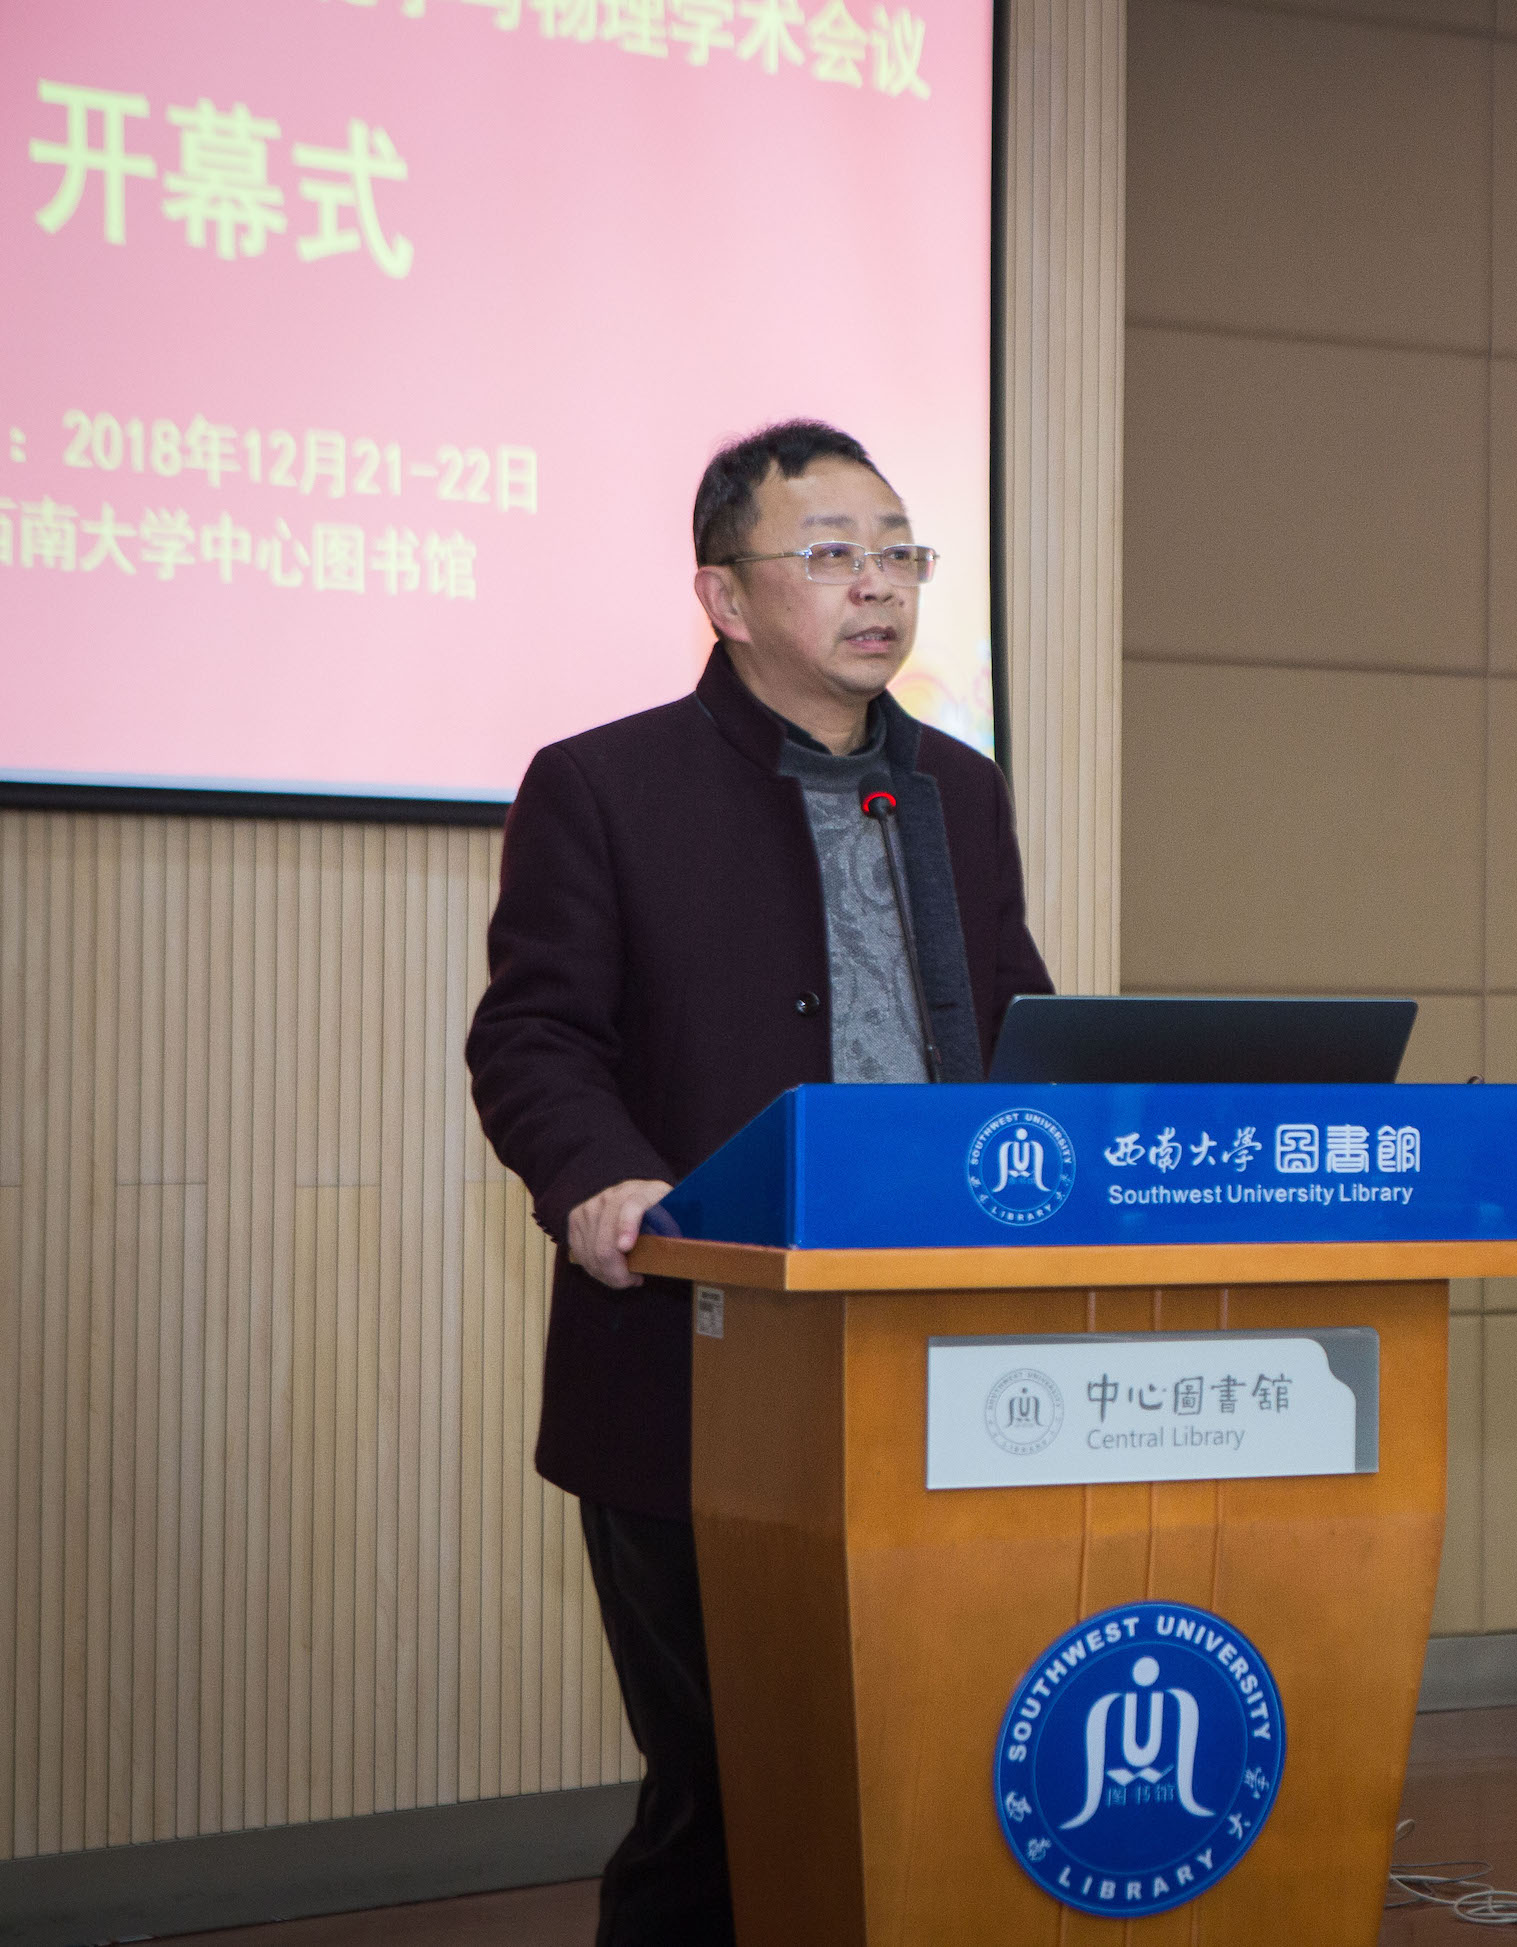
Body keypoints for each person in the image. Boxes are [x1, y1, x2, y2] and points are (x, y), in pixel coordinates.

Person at [467, 419, 1051, 1942]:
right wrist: (602, 1179)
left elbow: (1014, 1028)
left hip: (947, 1354)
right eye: (833, 553)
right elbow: (533, 1037)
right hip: (702, 1355)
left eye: (900, 552)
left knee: (927, 1760)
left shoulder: (960, 790)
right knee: (729, 1791)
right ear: (725, 597)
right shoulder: (607, 785)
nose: (880, 585)